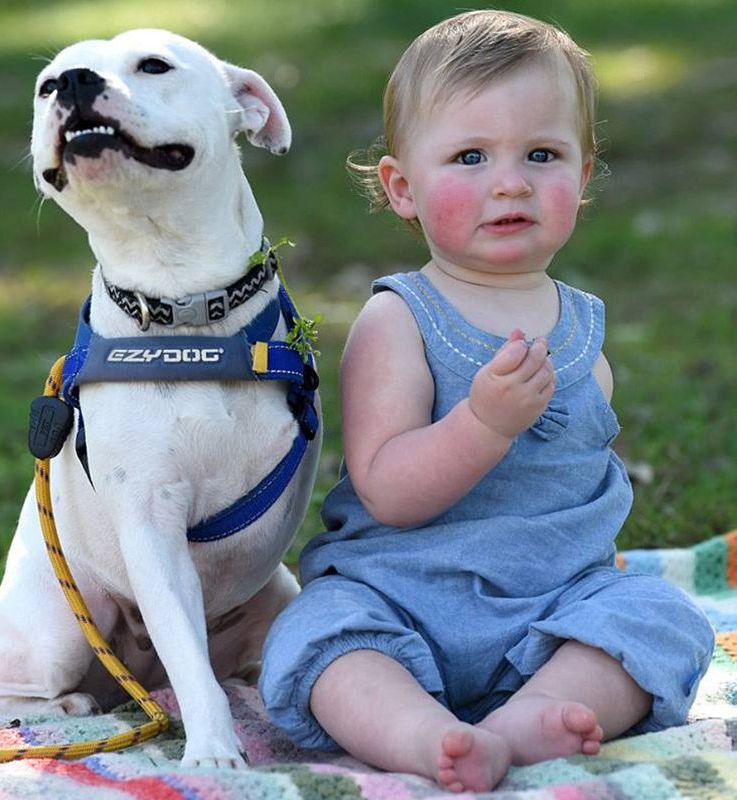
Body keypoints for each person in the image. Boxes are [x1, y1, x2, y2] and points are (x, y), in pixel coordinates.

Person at [259, 9, 715, 793]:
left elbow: (572, 496)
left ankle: (527, 716)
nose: (510, 182)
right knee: (318, 634)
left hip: (553, 609)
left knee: (660, 615)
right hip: (399, 601)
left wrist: (582, 593)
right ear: (402, 188)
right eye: (470, 156)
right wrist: (482, 424)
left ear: (584, 172)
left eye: (542, 154)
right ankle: (419, 733)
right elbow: (389, 491)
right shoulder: (398, 319)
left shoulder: (582, 331)